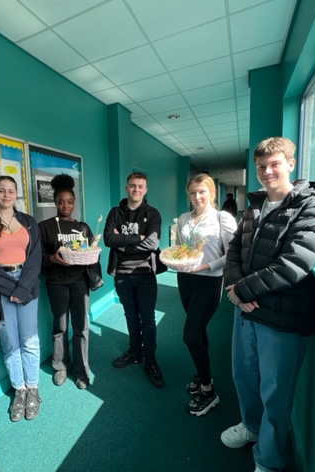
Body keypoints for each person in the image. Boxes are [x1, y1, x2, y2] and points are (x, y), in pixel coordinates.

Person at [221, 137, 315, 472]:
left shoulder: (314, 207)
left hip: (282, 319)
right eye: (261, 166)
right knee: (243, 377)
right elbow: (233, 251)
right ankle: (251, 427)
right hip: (245, 313)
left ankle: (268, 461)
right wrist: (234, 286)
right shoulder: (254, 206)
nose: (267, 171)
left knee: (276, 395)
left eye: (274, 164)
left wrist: (241, 291)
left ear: (291, 163)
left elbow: (294, 263)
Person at [0, 176, 42, 423]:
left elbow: (36, 258)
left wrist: (23, 288)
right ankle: (19, 390)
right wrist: (9, 287)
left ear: (17, 194)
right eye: (1, 190)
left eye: (10, 190)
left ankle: (33, 388)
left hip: (27, 285)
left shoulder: (29, 223)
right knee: (9, 341)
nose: (6, 194)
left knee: (30, 339)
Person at [175, 173, 236, 416]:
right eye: (192, 192)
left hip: (209, 282)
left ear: (212, 193)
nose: (197, 197)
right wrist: (178, 259)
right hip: (185, 279)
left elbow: (233, 254)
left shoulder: (223, 218)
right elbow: (184, 248)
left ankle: (208, 391)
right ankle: (204, 375)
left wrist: (208, 266)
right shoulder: (183, 218)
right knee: (198, 332)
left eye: (202, 191)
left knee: (190, 336)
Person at [39, 174, 101, 390]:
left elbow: (93, 253)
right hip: (56, 283)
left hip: (79, 282)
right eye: (60, 202)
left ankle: (81, 370)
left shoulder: (82, 227)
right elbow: (38, 257)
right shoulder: (44, 227)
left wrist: (89, 255)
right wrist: (52, 259)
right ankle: (60, 366)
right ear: (54, 202)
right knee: (60, 326)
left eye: (70, 202)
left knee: (81, 326)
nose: (65, 206)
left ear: (75, 203)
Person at [104, 172, 166, 388]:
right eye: (132, 186)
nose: (136, 190)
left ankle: (151, 359)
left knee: (147, 319)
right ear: (126, 188)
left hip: (145, 274)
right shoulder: (115, 212)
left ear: (146, 190)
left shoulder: (153, 214)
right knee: (130, 315)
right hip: (122, 275)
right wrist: (137, 238)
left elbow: (152, 243)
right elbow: (108, 239)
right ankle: (135, 352)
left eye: (140, 186)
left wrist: (122, 244)